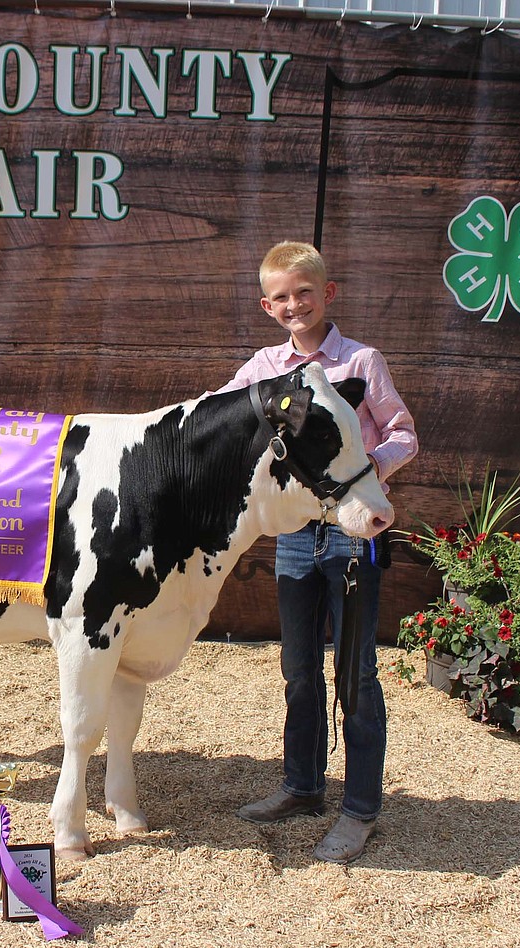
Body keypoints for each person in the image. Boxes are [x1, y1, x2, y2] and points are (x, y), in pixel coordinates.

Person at [215, 241, 418, 864]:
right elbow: (218, 416)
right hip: (298, 538)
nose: (293, 305)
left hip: (353, 533)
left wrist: (360, 474)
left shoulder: (361, 360)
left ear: (327, 293)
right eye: (280, 297)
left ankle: (360, 809)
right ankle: (302, 787)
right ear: (266, 305)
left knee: (355, 673)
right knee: (298, 670)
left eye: (304, 292)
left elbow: (404, 433)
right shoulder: (264, 365)